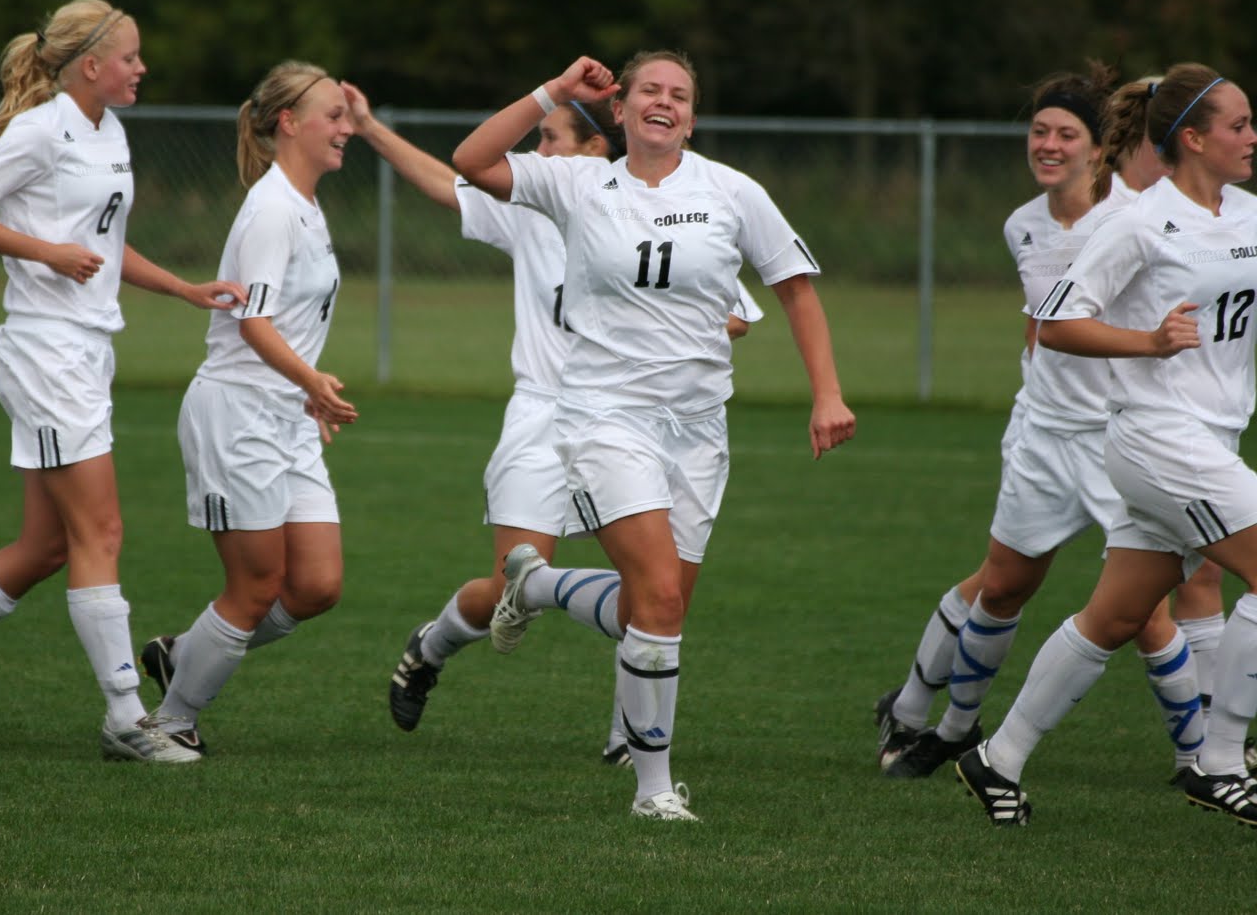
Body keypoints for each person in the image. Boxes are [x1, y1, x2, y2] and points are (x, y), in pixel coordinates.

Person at [452, 52, 855, 820]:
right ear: (623, 107)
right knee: (659, 594)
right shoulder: (578, 182)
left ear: (692, 117)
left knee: (658, 608)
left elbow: (795, 290)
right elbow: (470, 160)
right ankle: (653, 791)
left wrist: (827, 393)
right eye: (649, 91)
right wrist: (556, 90)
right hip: (604, 416)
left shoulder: (732, 191)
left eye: (679, 95)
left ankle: (536, 585)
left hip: (699, 429)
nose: (663, 103)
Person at [0, 0, 244, 763]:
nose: (141, 68)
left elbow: (101, 243)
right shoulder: (39, 129)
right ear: (90, 64)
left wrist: (185, 289)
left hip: (84, 351)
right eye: (130, 57)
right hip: (44, 354)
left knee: (43, 546)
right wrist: (43, 254)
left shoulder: (110, 130)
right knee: (101, 531)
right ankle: (125, 717)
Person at [344, 86, 761, 767]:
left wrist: (674, 323)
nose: (536, 153)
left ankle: (627, 738)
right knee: (515, 586)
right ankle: (432, 646)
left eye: (550, 139)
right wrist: (369, 128)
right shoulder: (533, 208)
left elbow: (736, 308)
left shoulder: (659, 216)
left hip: (627, 415)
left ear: (596, 148)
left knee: (650, 597)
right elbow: (446, 181)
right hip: (544, 413)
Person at [874, 70, 1213, 781]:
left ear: (1100, 148)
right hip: (1042, 432)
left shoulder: (1138, 216)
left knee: (1144, 611)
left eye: (1068, 134)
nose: (1049, 144)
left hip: (1119, 437)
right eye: (1040, 130)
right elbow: (1042, 320)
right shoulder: (1021, 223)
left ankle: (1200, 758)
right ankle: (952, 730)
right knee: (1000, 586)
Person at [958, 62, 1257, 828]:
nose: (1252, 137)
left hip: (1209, 437)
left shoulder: (1249, 215)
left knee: (1115, 617)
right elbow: (1057, 322)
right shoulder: (1137, 221)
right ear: (1192, 138)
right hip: (1156, 437)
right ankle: (1222, 761)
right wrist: (1148, 343)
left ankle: (998, 758)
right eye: (1238, 125)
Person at [134, 60, 359, 759]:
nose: (347, 128)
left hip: (283, 414)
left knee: (316, 583)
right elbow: (254, 324)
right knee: (257, 583)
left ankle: (188, 651)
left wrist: (304, 394)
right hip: (237, 414)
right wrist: (312, 381)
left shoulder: (305, 204)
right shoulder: (270, 208)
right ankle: (166, 723)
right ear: (288, 123)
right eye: (334, 114)